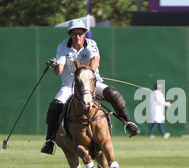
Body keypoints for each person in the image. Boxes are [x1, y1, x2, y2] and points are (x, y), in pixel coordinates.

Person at [41, 19, 141, 154]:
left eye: (80, 33)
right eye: (74, 34)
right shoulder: (62, 46)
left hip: (91, 83)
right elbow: (59, 72)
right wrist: (55, 65)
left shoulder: (91, 44)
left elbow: (96, 61)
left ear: (84, 34)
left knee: (112, 93)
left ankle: (128, 123)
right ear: (70, 34)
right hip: (69, 85)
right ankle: (50, 141)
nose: (78, 37)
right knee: (54, 106)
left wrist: (86, 74)